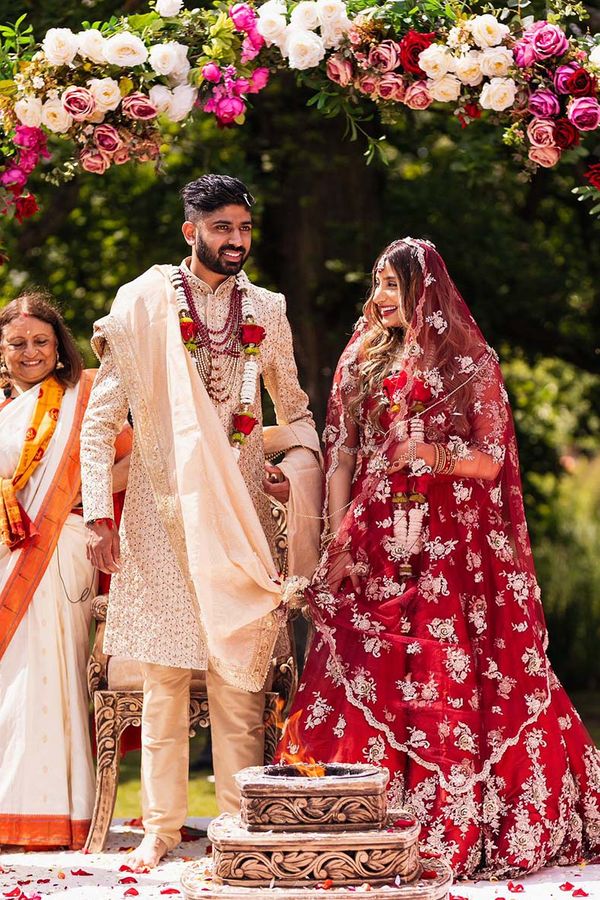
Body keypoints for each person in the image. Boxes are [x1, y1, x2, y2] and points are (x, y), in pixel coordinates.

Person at [277, 238, 600, 878]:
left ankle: (451, 817)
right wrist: (340, 534)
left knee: (449, 662)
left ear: (427, 290)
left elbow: (490, 461)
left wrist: (428, 456)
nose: (383, 298)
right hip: (375, 536)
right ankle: (353, 811)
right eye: (379, 284)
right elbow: (342, 453)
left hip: (453, 547)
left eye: (396, 285)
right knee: (365, 656)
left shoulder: (470, 363)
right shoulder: (360, 360)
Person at [80, 174, 321, 869]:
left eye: (245, 229)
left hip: (240, 512)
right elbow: (101, 428)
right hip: (159, 517)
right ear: (192, 232)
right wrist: (100, 513)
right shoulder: (142, 308)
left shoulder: (268, 311)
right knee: (161, 678)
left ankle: (239, 823)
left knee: (238, 679)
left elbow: (295, 411)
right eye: (222, 229)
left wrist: (295, 475)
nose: (236, 241)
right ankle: (160, 828)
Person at [0, 292, 129, 850]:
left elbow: (136, 458)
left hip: (61, 549)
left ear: (59, 347)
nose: (30, 352)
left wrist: (80, 489)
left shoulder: (87, 396)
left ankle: (54, 814)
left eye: (41, 342)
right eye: (18, 343)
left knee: (49, 675)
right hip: (7, 553)